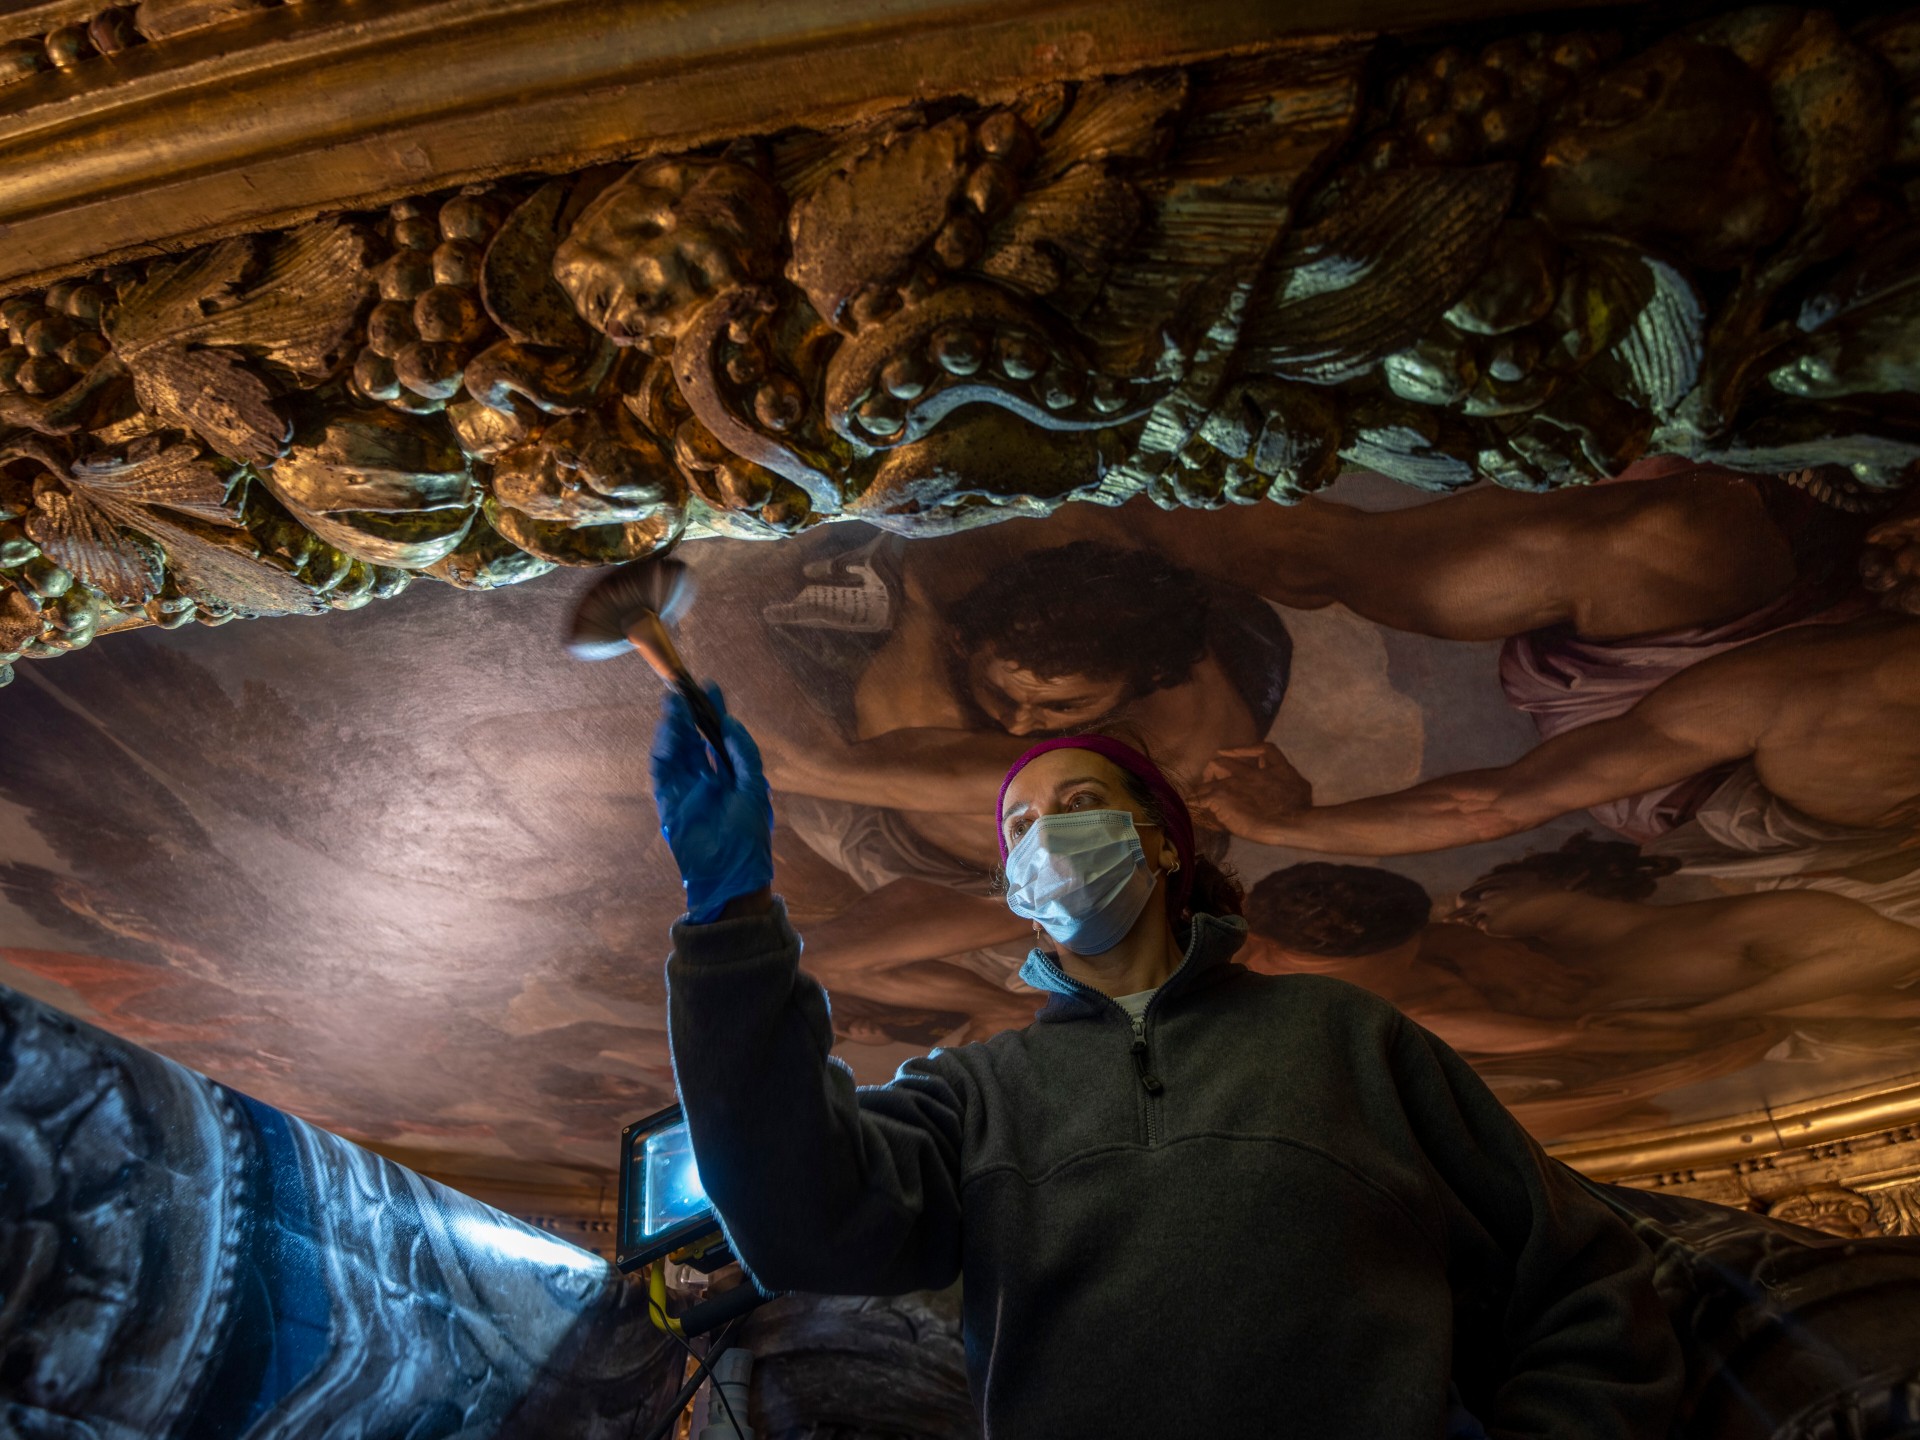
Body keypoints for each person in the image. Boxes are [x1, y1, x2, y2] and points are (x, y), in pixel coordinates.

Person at [651, 691, 1682, 1439]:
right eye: (1019, 824)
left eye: (1078, 803)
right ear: (1013, 884)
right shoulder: (974, 1091)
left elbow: (1582, 1277)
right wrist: (728, 909)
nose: (1045, 835)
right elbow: (801, 1220)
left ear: (1160, 842)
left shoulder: (1345, 1036)